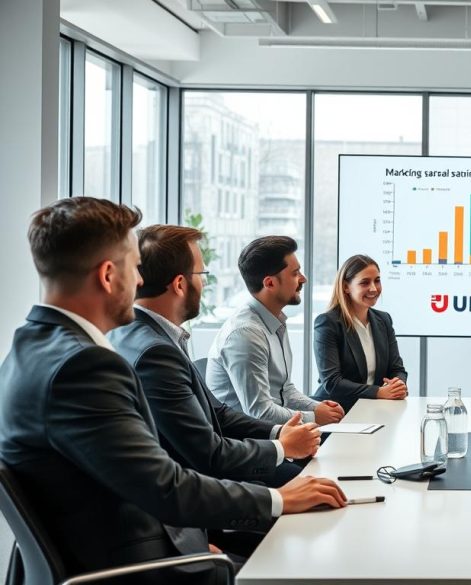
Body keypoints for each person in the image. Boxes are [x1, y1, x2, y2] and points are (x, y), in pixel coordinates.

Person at [0, 198, 346, 583]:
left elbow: (135, 478)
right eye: (135, 268)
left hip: (120, 549)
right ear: (108, 275)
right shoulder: (84, 367)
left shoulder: (27, 349)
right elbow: (165, 486)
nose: (139, 282)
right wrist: (280, 500)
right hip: (127, 567)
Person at [110, 225, 321, 493]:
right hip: (201, 495)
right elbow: (207, 455)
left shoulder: (154, 336)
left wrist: (278, 434)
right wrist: (281, 448)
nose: (205, 283)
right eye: (202, 274)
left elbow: (217, 412)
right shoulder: (155, 352)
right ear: (179, 284)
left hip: (213, 475)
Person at [206, 236, 345, 425]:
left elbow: (285, 391)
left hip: (277, 435)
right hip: (251, 442)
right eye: (295, 273)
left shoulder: (275, 321)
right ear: (270, 283)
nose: (303, 279)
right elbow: (259, 412)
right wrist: (315, 417)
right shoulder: (246, 334)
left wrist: (317, 407)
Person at [313, 254, 408, 412]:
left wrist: (398, 384)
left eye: (377, 280)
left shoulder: (383, 320)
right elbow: (332, 382)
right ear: (345, 287)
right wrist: (379, 392)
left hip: (374, 409)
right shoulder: (328, 323)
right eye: (365, 282)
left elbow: (397, 368)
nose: (373, 288)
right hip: (336, 412)